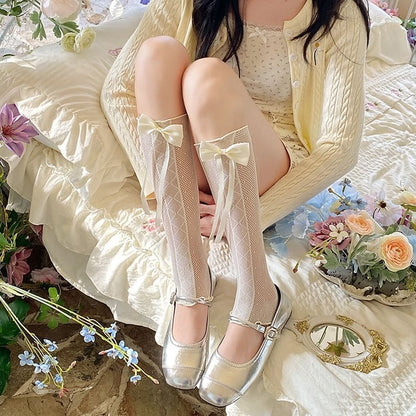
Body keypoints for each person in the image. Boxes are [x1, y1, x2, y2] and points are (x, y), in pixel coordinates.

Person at [101, 0, 370, 407]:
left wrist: (256, 214)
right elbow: (118, 91)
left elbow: (340, 147)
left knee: (206, 76)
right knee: (158, 53)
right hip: (196, 155)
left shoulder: (337, 12)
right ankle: (191, 282)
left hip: (267, 163)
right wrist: (165, 190)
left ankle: (259, 296)